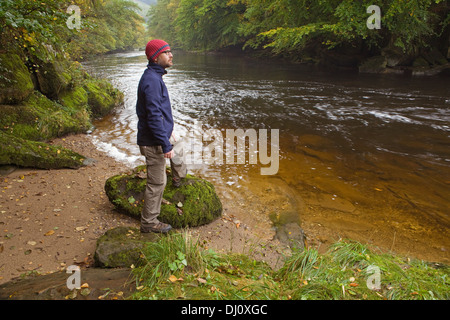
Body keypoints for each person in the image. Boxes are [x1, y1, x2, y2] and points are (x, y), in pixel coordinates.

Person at [136, 39, 186, 234]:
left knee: (179, 145)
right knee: (157, 183)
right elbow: (153, 115)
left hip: (158, 135)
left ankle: (178, 178)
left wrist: (169, 130)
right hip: (153, 141)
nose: (171, 55)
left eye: (170, 51)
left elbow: (157, 112)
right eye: (167, 52)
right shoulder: (151, 80)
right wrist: (164, 144)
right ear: (156, 57)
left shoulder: (154, 77)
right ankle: (149, 222)